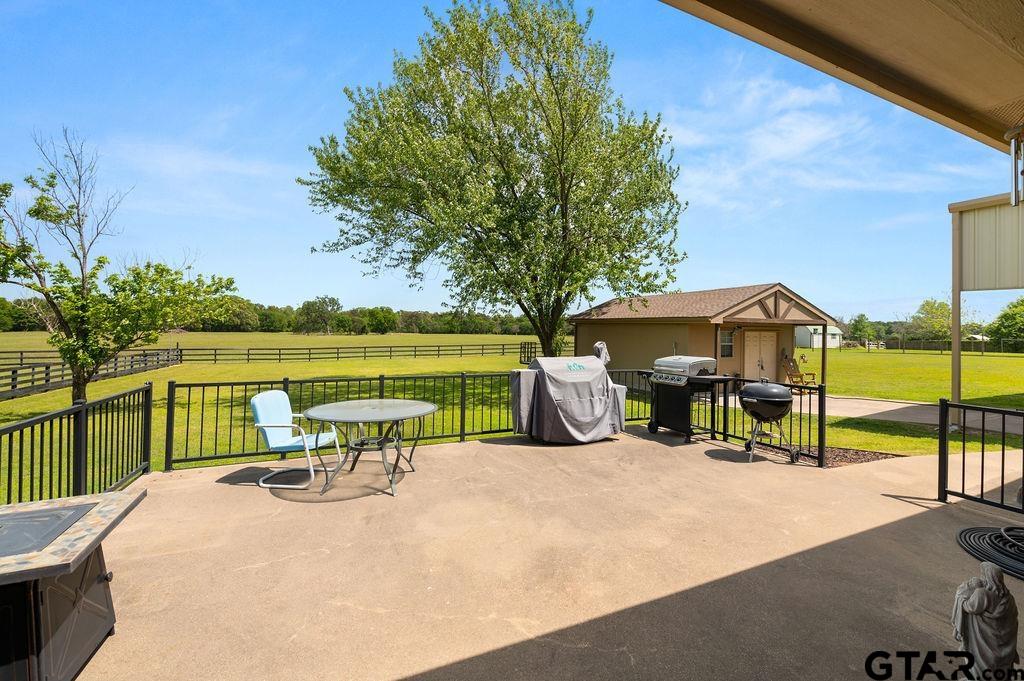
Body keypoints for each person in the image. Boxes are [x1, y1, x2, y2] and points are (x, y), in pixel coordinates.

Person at [953, 562, 1019, 677]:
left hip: (982, 642)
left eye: (983, 575)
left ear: (988, 577)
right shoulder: (1009, 599)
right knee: (997, 665)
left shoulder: (982, 594)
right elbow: (1013, 621)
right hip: (1001, 643)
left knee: (980, 661)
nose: (982, 578)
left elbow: (968, 607)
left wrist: (963, 592)